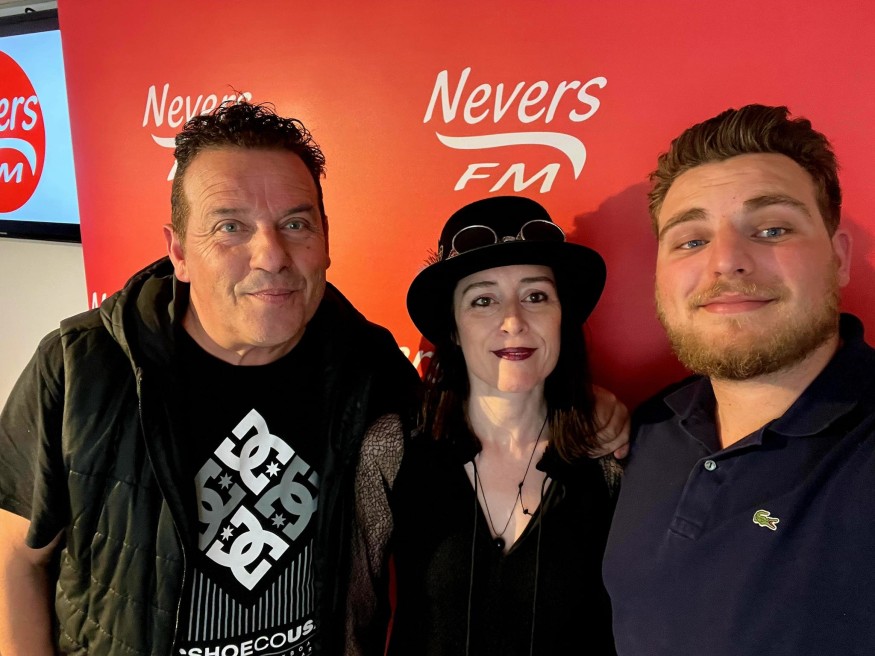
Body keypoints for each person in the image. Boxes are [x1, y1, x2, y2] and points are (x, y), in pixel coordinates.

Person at [0, 100, 421, 656]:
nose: (271, 255)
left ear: (326, 239)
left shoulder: (370, 366)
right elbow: (15, 559)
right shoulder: (81, 368)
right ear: (179, 251)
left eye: (295, 224)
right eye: (230, 227)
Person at [603, 104, 875, 655]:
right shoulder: (648, 428)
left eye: (772, 229)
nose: (726, 261)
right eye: (691, 240)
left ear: (839, 258)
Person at [372, 195, 620, 655]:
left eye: (536, 296)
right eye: (483, 300)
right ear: (453, 328)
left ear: (563, 316)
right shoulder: (392, 447)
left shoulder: (611, 458)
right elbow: (352, 616)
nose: (513, 321)